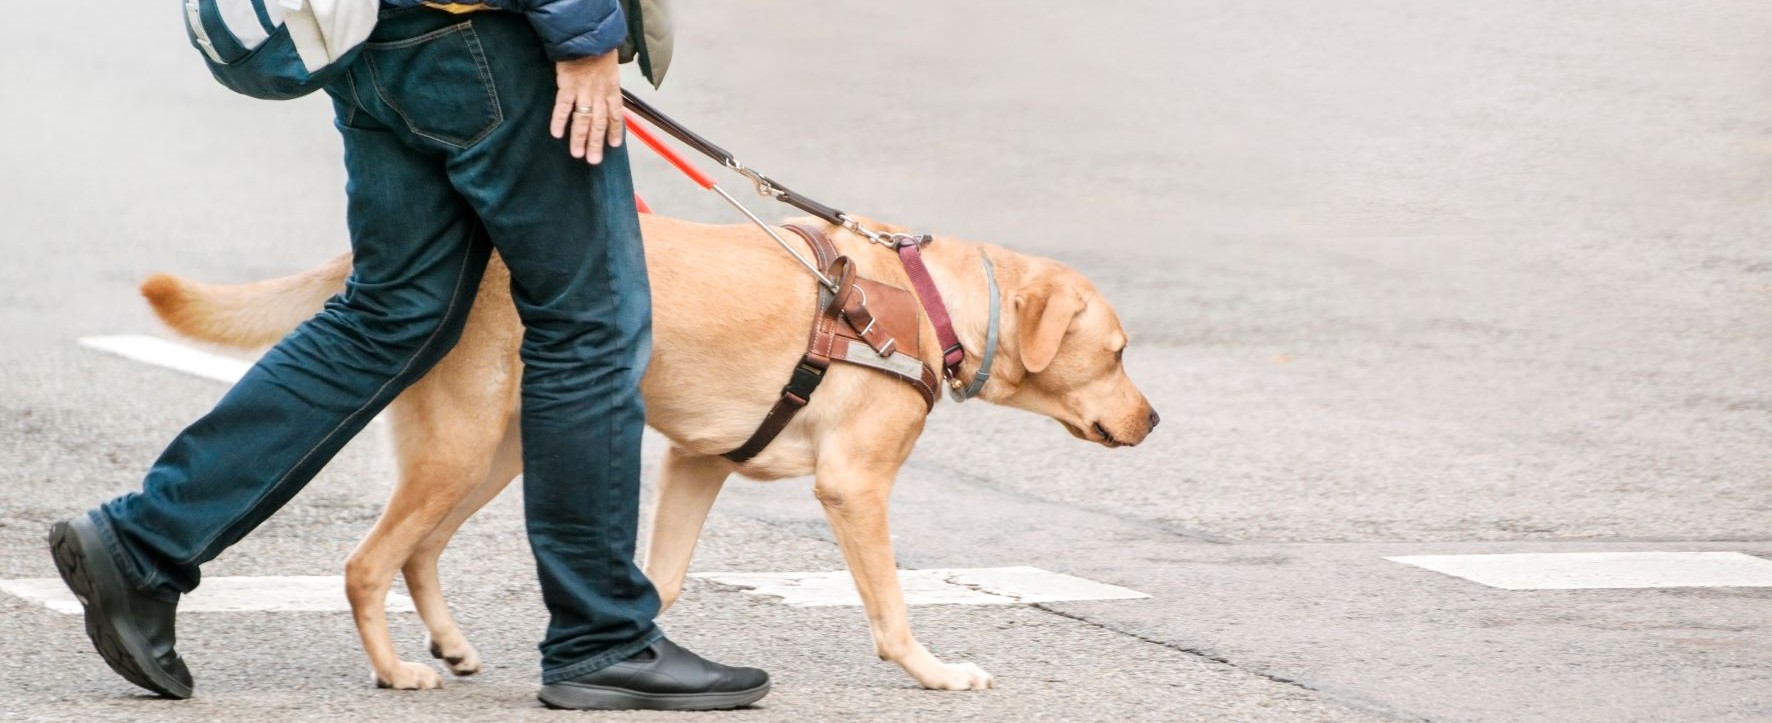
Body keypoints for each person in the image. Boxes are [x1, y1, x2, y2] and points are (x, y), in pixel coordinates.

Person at [47, 0, 770, 711]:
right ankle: (603, 638)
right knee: (589, 325)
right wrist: (583, 33)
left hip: (372, 39)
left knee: (389, 315)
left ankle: (143, 540)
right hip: (490, 36)